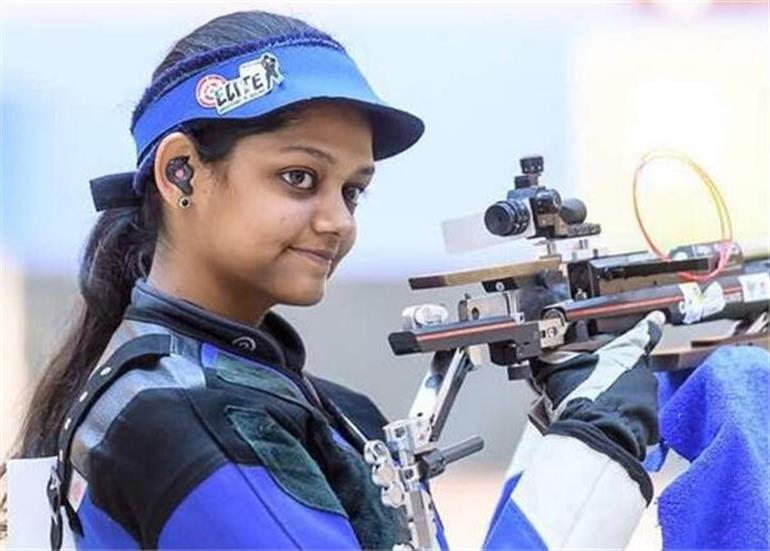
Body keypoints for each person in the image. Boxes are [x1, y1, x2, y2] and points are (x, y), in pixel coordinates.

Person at [4, 10, 663, 550]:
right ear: (181, 172)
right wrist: (596, 445)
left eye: (352, 190)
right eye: (299, 178)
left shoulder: (301, 403)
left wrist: (565, 423)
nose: (338, 220)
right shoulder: (176, 415)